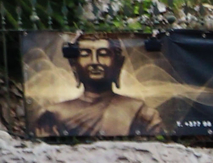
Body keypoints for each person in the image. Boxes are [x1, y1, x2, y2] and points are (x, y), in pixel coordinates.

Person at [31, 34, 165, 139]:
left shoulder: (142, 113)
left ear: (118, 63)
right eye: (85, 54)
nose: (95, 62)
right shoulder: (53, 115)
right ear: (74, 64)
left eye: (103, 54)